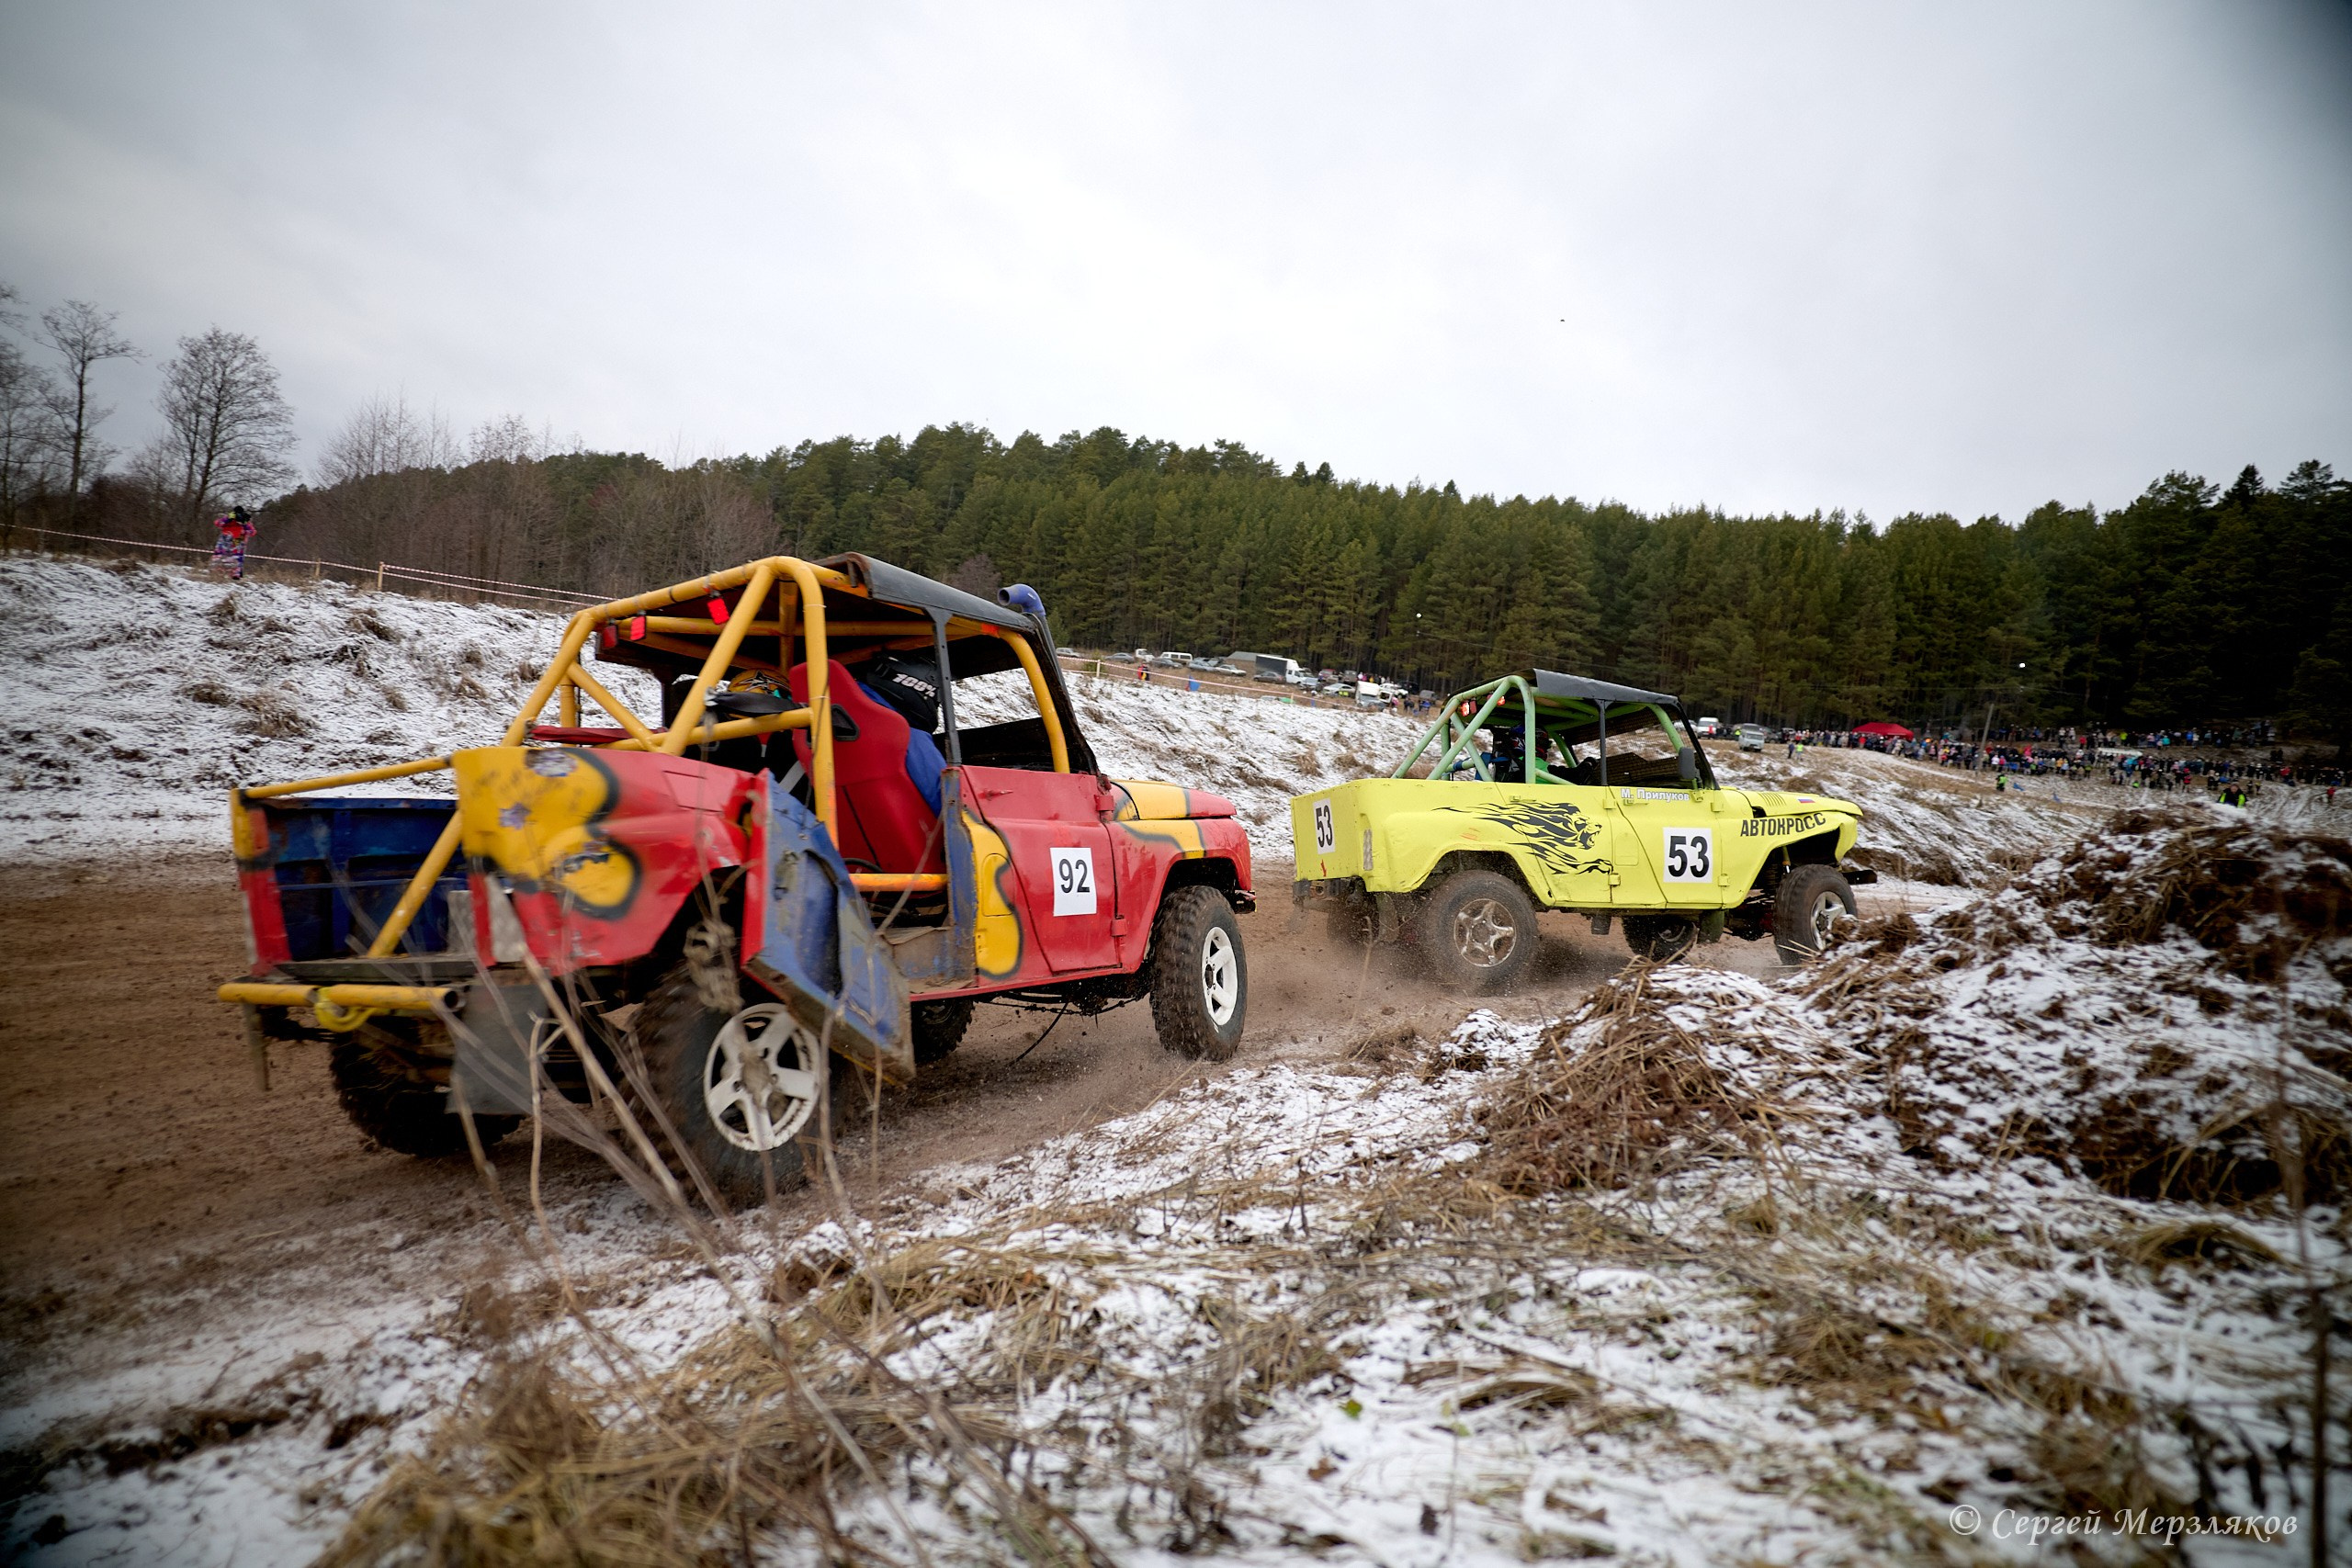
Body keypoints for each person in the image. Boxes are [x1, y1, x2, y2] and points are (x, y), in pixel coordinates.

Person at [210, 506, 255, 581]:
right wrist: (228, 519)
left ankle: (235, 574)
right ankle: (217, 569)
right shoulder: (228, 517)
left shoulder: (245, 520)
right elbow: (218, 523)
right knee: (220, 554)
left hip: (238, 538)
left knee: (236, 556)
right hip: (226, 537)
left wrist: (244, 527)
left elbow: (252, 532)